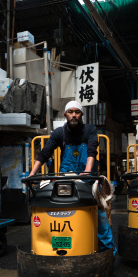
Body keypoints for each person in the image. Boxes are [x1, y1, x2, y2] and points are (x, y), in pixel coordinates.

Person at [28, 100, 116, 255]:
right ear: (65, 114)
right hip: (65, 180)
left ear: (81, 114)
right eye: (70, 112)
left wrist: (87, 171)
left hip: (88, 181)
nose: (74, 115)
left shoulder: (90, 130)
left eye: (77, 112)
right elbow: (44, 153)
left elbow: (91, 150)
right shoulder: (59, 133)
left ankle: (108, 253)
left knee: (100, 218)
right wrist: (32, 174)